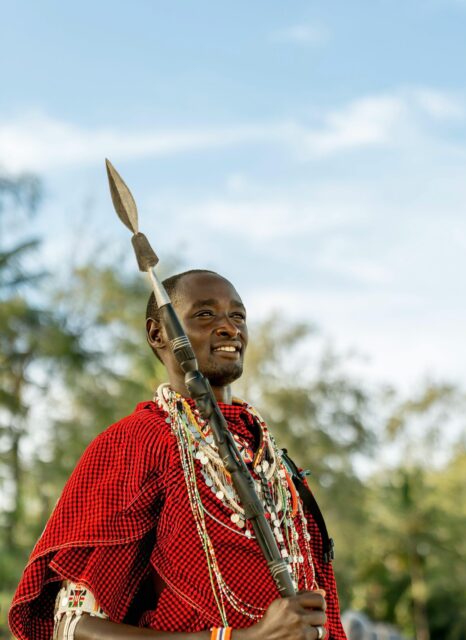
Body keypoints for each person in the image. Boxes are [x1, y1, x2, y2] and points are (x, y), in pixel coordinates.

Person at [9, 270, 346, 640]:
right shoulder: (138, 441)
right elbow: (74, 627)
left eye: (238, 316)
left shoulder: (270, 457)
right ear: (158, 334)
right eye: (205, 315)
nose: (230, 329)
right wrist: (248, 637)